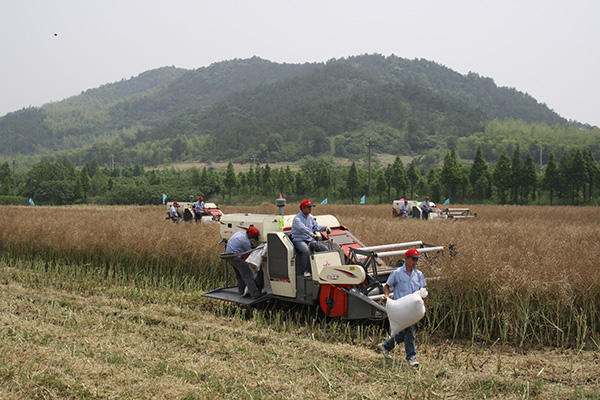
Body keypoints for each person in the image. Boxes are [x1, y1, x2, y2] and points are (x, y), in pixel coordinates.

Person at [377, 248, 426, 367]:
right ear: (406, 259)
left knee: (405, 332)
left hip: (413, 309)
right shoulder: (397, 273)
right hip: (402, 308)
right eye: (413, 259)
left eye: (416, 260)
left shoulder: (419, 275)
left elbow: (423, 289)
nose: (415, 262)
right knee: (409, 332)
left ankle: (386, 346)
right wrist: (387, 296)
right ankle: (411, 358)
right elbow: (387, 286)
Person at [291, 199, 331, 278]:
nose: (310, 209)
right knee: (306, 251)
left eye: (311, 207)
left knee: (324, 248)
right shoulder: (297, 219)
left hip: (309, 239)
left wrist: (325, 228)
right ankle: (306, 271)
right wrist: (312, 234)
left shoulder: (310, 217)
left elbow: (316, 227)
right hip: (299, 240)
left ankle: (323, 269)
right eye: (308, 207)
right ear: (303, 208)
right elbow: (303, 228)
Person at [225, 226, 265, 300]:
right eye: (252, 237)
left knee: (239, 276)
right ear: (249, 234)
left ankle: (242, 292)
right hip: (236, 258)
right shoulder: (245, 241)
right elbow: (251, 254)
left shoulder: (239, 233)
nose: (252, 239)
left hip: (229, 257)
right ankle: (255, 295)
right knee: (248, 276)